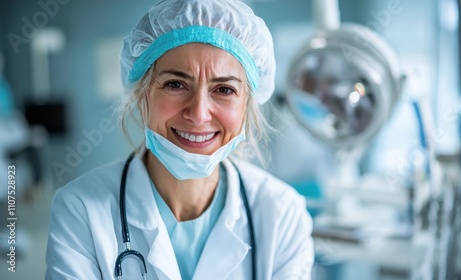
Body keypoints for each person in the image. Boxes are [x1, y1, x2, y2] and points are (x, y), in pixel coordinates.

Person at [45, 0, 314, 279]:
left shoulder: (283, 214)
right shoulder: (80, 210)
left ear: (247, 104)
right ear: (141, 94)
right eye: (175, 84)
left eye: (224, 89)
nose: (198, 114)